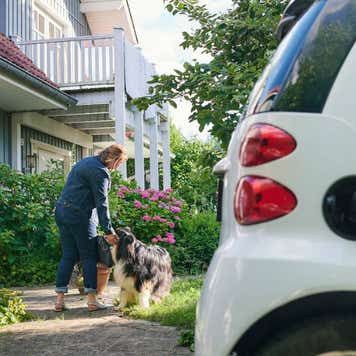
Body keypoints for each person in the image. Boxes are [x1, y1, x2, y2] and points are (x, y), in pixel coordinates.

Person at [54, 143, 128, 312]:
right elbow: (102, 203)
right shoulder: (100, 172)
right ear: (114, 159)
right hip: (79, 214)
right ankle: (92, 301)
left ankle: (59, 301)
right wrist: (108, 230)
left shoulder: (84, 162)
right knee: (89, 256)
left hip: (61, 211)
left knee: (68, 255)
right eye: (120, 163)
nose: (118, 167)